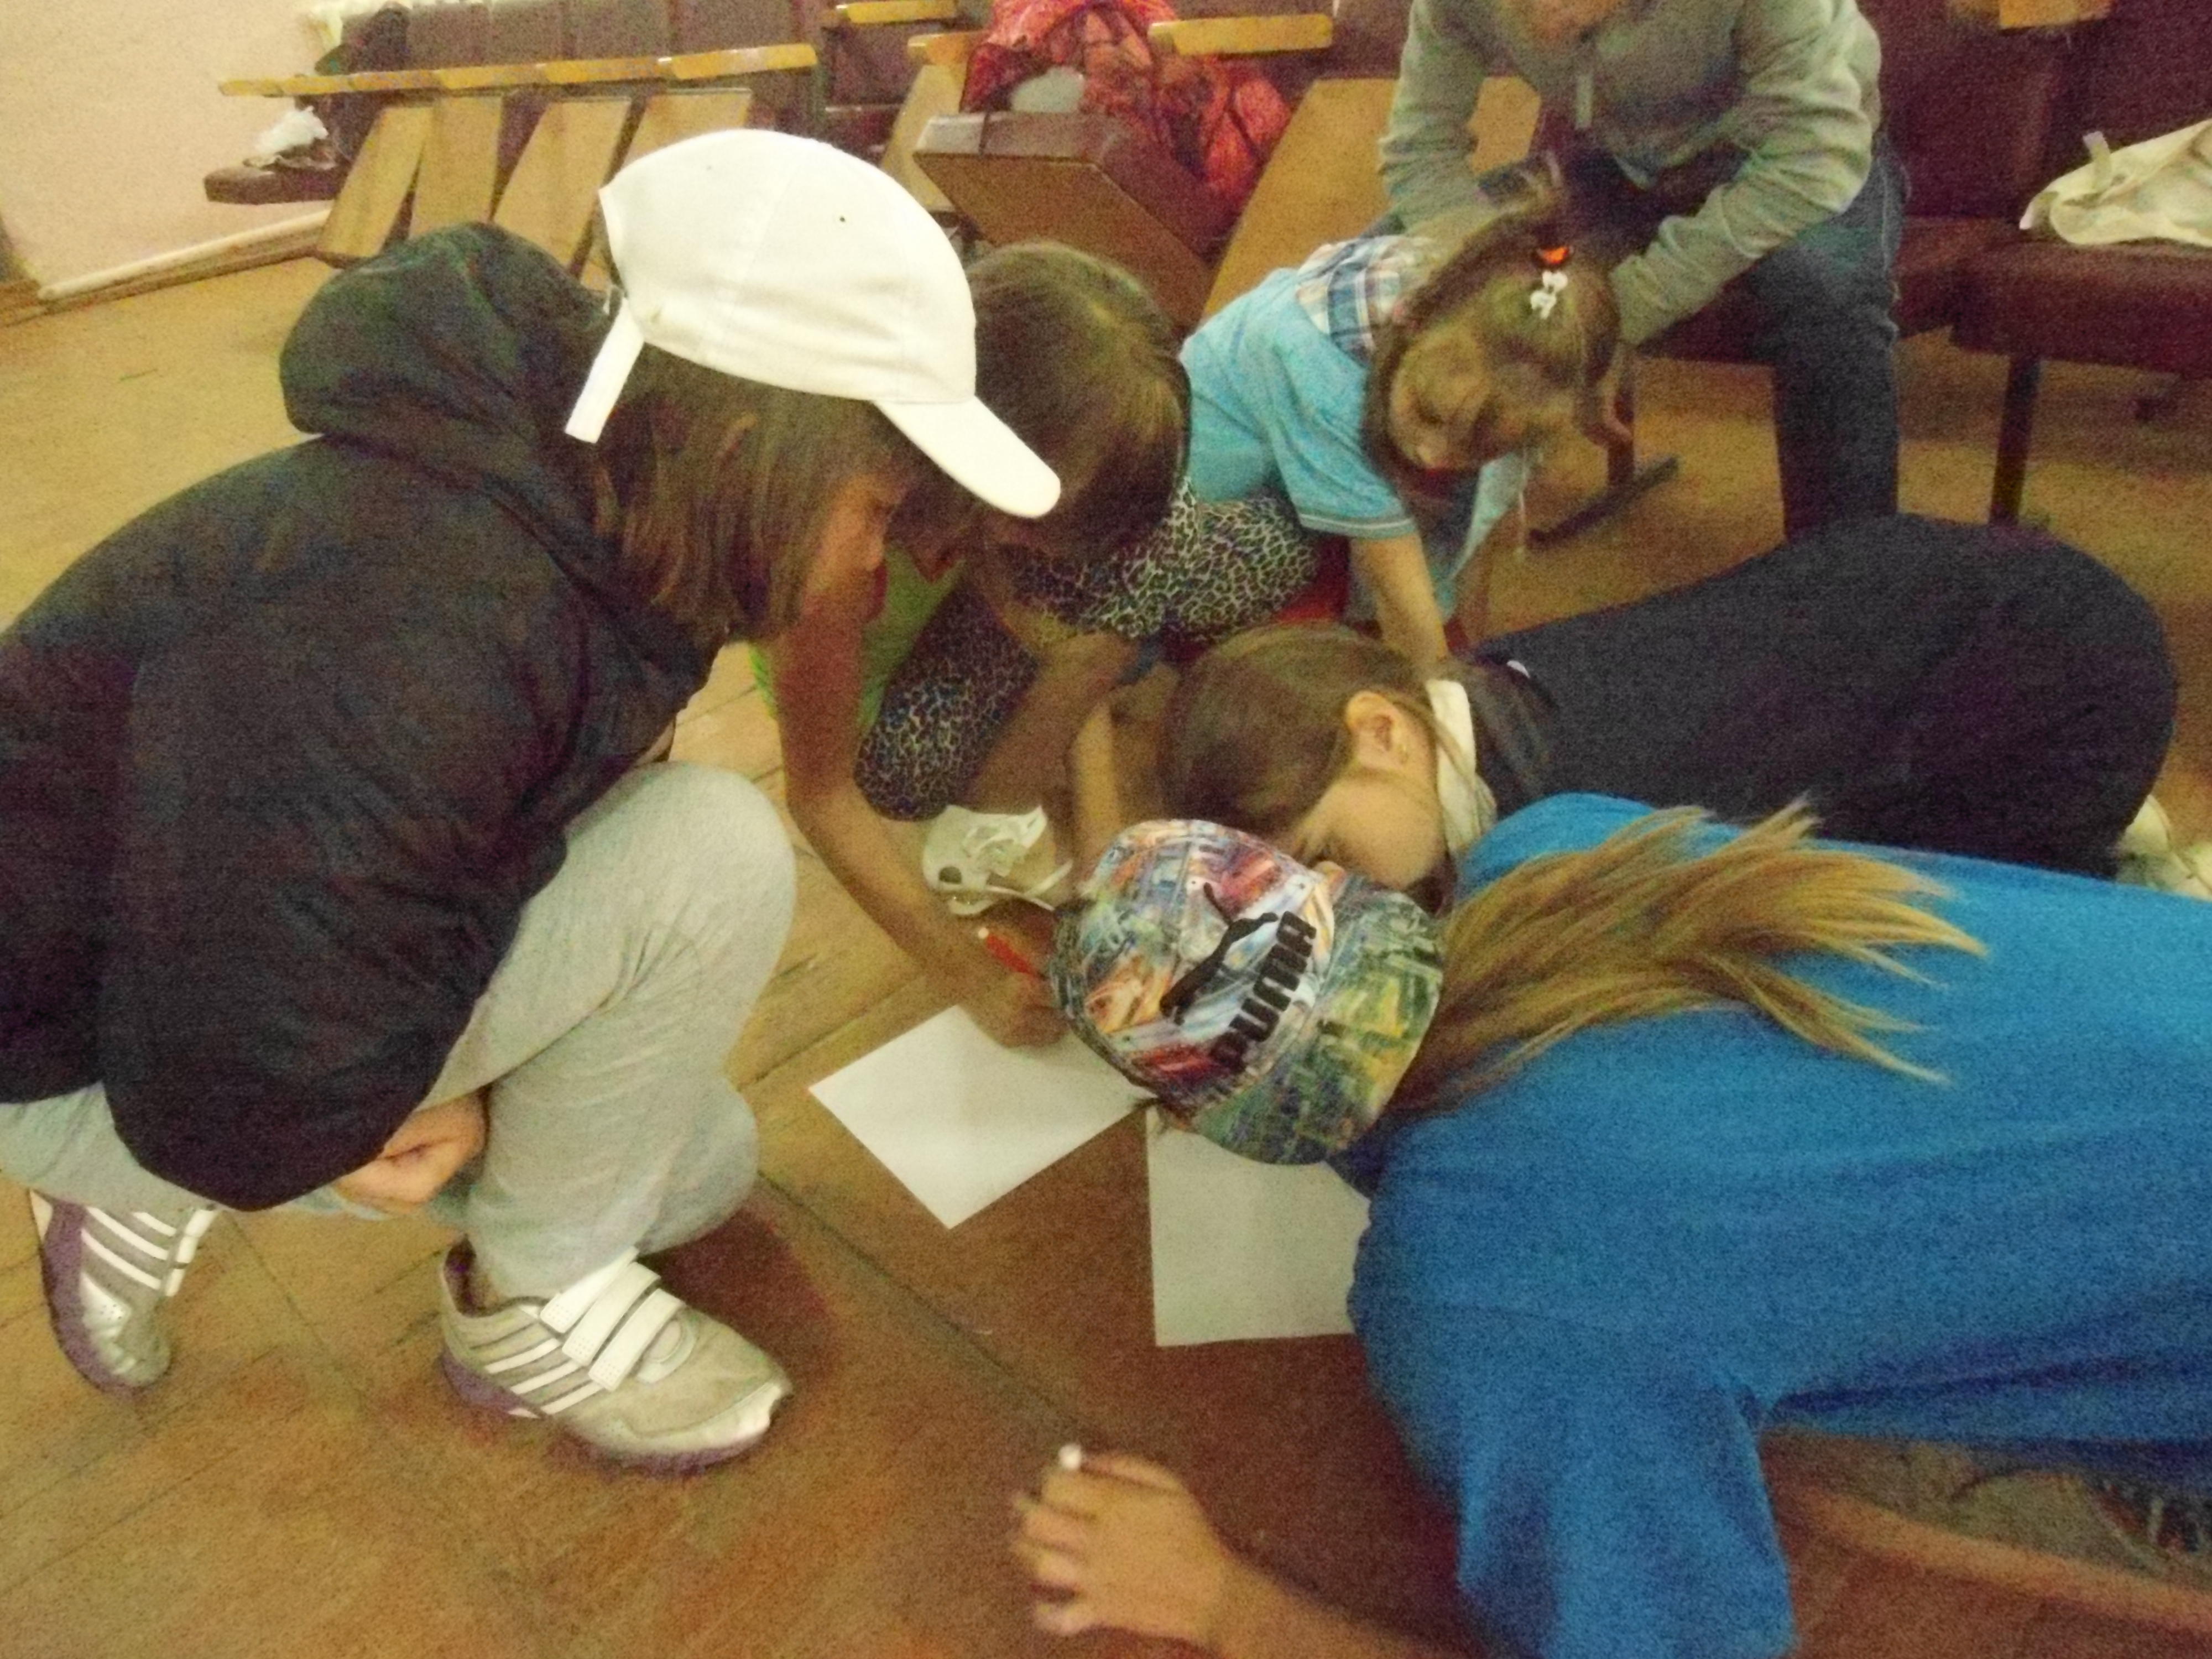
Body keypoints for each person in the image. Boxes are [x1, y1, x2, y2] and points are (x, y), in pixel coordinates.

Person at [0, 131, 1059, 1470]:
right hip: (94, 1052)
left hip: (209, 987)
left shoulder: (607, 503)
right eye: (876, 511)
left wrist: (478, 1091)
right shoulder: (423, 614)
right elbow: (251, 1102)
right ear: (750, 443)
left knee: (698, 1166)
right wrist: (400, 1110)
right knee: (712, 857)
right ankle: (520, 1314)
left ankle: (201, 1200)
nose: (874, 563)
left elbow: (449, 836)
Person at [1026, 800, 2212, 1658]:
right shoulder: (1555, 844)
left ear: (1208, 1122)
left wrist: (1223, 1606)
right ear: (1328, 884)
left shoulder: (1481, 1295)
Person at [766, 242, 1321, 1044]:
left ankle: (1108, 668)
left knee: (1190, 555)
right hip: (891, 679)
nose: (1059, 551)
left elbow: (1092, 608)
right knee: (920, 769)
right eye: (1049, 524)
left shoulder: (1015, 507)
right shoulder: (838, 547)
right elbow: (821, 793)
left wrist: (1099, 837)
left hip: (1008, 606)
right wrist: (973, 979)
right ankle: (1045, 743)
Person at [1160, 514, 2178, 887]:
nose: (1329, 895)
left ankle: (2112, 877)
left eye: (1326, 856)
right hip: (1945, 607)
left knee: (1943, 941)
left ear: (1382, 731)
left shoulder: (1578, 824)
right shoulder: (1473, 699)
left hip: (2069, 685)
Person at [1379, 0, 1900, 538]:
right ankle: (1395, 550)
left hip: (1797, 159)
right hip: (1624, 169)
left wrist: (1609, 322)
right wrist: (1480, 281)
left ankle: (1847, 570)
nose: (1542, 25)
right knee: (1387, 265)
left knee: (1827, 289)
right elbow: (1422, 151)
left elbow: (1813, 157)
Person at [1182, 191, 1618, 667]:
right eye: (1429, 414)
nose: (1433, 455)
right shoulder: (1319, 375)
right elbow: (1400, 601)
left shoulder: (1458, 296)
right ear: (1411, 320)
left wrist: (1467, 649)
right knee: (1304, 666)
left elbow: (1480, 513)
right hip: (1202, 522)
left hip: (1296, 463)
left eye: (1478, 448)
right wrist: (1448, 692)